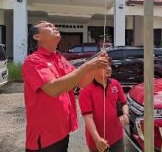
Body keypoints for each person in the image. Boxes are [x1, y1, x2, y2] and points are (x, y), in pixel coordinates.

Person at [22, 21, 108, 152]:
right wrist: (88, 66)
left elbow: (82, 82)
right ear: (37, 37)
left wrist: (96, 67)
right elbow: (53, 89)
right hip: (45, 136)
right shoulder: (33, 61)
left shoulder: (59, 58)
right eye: (48, 26)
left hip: (62, 132)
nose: (53, 27)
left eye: (53, 25)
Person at [79, 59, 129, 152]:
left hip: (117, 136)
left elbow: (124, 103)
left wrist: (125, 114)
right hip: (97, 140)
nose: (109, 68)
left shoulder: (115, 84)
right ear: (94, 69)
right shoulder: (86, 89)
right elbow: (88, 118)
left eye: (109, 66)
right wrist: (97, 139)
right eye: (104, 66)